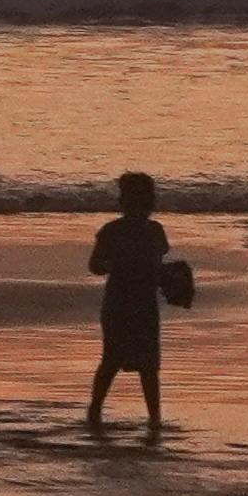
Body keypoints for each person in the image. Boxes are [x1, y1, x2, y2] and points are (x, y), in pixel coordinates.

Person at [84, 171, 188, 434]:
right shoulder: (114, 231)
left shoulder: (151, 231)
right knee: (114, 360)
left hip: (140, 304)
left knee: (147, 364)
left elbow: (157, 262)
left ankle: (153, 418)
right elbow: (95, 265)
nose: (146, 205)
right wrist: (116, 265)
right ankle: (95, 410)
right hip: (122, 304)